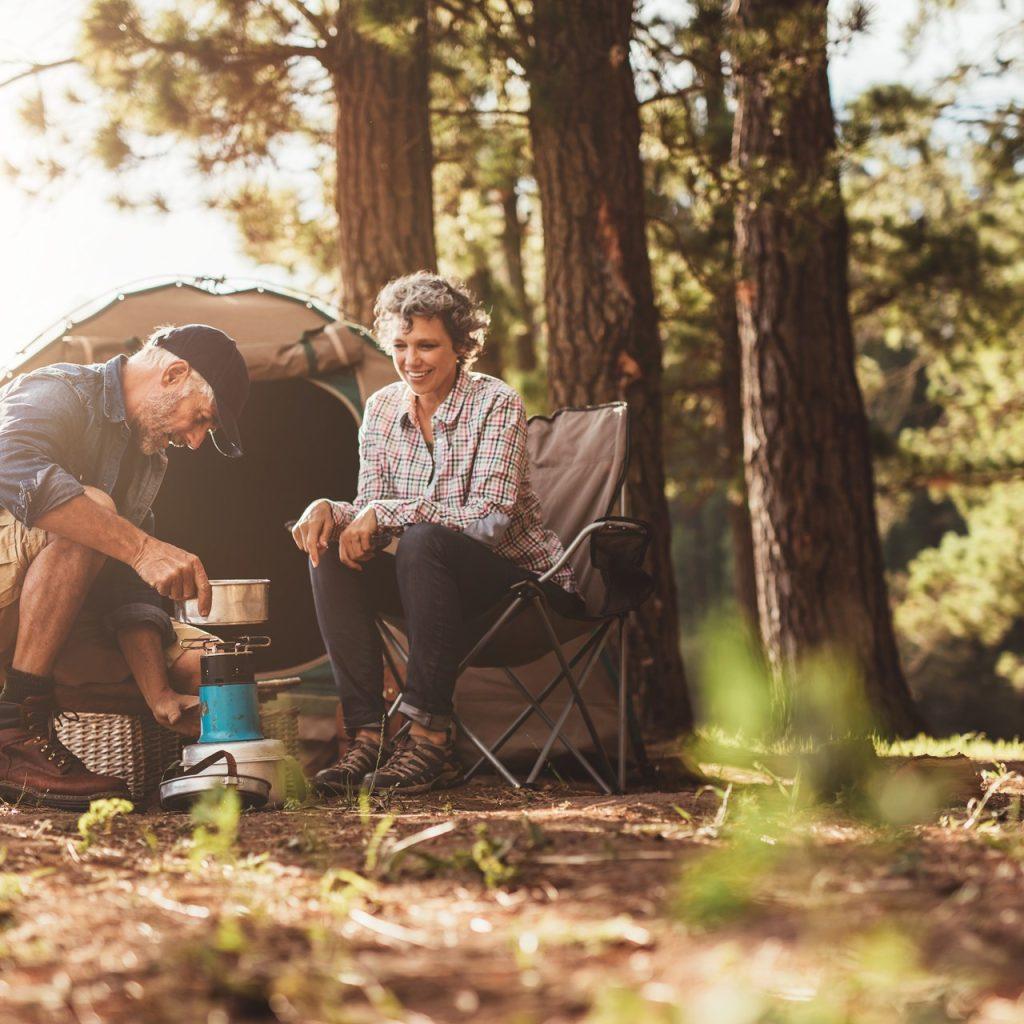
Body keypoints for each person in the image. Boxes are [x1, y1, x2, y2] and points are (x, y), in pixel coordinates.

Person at [292, 272, 584, 795]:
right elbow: (368, 510)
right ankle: (367, 736)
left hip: (516, 588)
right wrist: (330, 512)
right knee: (333, 550)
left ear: (461, 347)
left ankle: (430, 739)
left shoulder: (496, 402)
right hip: (427, 583)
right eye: (401, 346)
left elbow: (489, 518)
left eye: (427, 345)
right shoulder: (381, 411)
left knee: (423, 539)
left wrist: (385, 514)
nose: (412, 360)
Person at [0, 323, 250, 808]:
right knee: (92, 509)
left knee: (212, 667)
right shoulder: (63, 388)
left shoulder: (148, 462)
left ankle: (184, 776)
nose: (196, 441)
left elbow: (124, 581)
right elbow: (7, 462)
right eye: (201, 419)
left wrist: (158, 691)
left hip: (47, 618)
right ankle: (13, 731)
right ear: (174, 373)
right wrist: (140, 548)